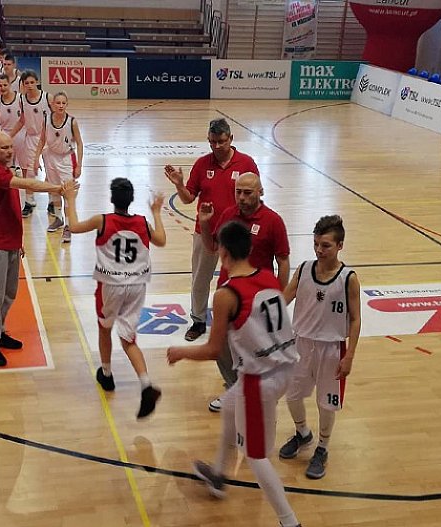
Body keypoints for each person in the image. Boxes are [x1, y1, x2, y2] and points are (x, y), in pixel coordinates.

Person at [167, 221, 301, 527]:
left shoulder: (227, 294)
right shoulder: (267, 277)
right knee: (229, 405)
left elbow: (213, 350)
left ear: (223, 252)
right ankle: (218, 474)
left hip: (260, 379)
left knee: (255, 455)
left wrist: (181, 352)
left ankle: (289, 521)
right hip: (286, 366)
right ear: (249, 249)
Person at [62, 177, 165, 419]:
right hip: (137, 285)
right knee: (129, 339)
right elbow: (161, 240)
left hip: (111, 285)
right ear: (131, 199)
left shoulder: (103, 220)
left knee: (104, 327)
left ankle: (107, 374)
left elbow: (74, 227)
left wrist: (70, 199)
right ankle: (146, 384)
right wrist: (156, 212)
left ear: (111, 199)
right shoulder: (142, 222)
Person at [278, 215, 361, 480]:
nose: (318, 250)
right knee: (292, 395)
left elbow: (356, 319)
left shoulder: (348, 278)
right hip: (300, 344)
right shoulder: (304, 269)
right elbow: (284, 298)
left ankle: (322, 448)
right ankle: (303, 433)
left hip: (331, 349)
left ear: (340, 246)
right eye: (316, 244)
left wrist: (349, 356)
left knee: (326, 404)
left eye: (325, 245)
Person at [199, 172, 290, 412]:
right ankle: (235, 388)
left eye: (247, 192)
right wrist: (205, 222)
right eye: (238, 192)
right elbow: (212, 247)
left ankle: (255, 394)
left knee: (254, 350)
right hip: (227, 295)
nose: (241, 197)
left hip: (257, 301)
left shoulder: (273, 221)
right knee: (221, 346)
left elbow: (283, 261)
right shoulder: (228, 215)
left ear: (260, 192)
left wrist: (280, 298)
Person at [0, 132, 70, 367]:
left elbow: (11, 207)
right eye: (4, 148)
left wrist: (18, 241)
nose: (9, 151)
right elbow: (29, 184)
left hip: (10, 242)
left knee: (8, 294)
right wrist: (58, 188)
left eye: (11, 147)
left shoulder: (7, 171)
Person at [164, 118, 259, 342]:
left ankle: (236, 319)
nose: (216, 146)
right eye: (212, 142)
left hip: (236, 235)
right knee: (200, 278)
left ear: (231, 138)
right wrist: (179, 184)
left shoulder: (246, 163)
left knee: (236, 278)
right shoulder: (201, 164)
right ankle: (198, 321)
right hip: (205, 232)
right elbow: (188, 198)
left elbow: (255, 195)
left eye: (221, 142)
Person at [33, 91, 83, 242]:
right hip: (50, 157)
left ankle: (68, 226)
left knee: (67, 191)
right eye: (58, 103)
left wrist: (79, 165)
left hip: (66, 158)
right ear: (53, 104)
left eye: (63, 103)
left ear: (67, 104)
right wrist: (36, 159)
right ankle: (58, 218)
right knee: (54, 189)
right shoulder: (46, 119)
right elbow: (42, 140)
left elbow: (79, 143)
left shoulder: (72, 121)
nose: (60, 105)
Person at [9, 70, 51, 217]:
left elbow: (57, 117)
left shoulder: (47, 97)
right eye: (27, 83)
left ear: (37, 82)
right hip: (32, 138)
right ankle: (29, 201)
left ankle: (53, 202)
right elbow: (22, 120)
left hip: (49, 138)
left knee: (51, 171)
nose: (30, 85)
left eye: (32, 82)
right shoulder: (22, 99)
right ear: (23, 84)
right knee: (30, 171)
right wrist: (9, 135)